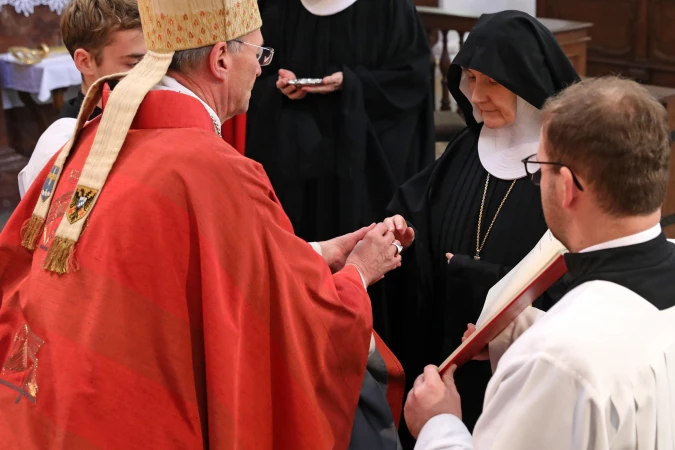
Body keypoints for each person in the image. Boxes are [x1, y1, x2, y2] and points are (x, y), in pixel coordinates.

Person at [0, 0, 405, 447]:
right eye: (259, 54)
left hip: (42, 409)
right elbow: (296, 319)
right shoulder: (211, 168)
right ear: (220, 58)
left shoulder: (92, 137)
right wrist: (359, 275)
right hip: (129, 421)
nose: (259, 70)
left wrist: (314, 253)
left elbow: (165, 263)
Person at [404, 76, 675, 449]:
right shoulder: (561, 346)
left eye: (538, 166)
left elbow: (578, 355)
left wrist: (439, 424)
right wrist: (520, 332)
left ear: (565, 187)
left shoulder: (555, 360)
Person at [383, 10, 580, 437]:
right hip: (444, 345)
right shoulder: (466, 147)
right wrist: (399, 233)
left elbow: (576, 272)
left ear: (528, 81)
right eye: (471, 79)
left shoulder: (563, 168)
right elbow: (418, 206)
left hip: (518, 379)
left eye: (492, 81)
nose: (476, 96)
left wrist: (476, 279)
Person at [245, 0, 435, 248]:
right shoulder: (277, 6)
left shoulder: (390, 7)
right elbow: (250, 68)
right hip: (294, 161)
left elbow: (411, 81)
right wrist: (277, 84)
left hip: (361, 161)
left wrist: (352, 84)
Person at [17, 0, 147, 198]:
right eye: (135, 63)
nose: (153, 75)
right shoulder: (61, 146)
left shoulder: (147, 109)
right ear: (85, 62)